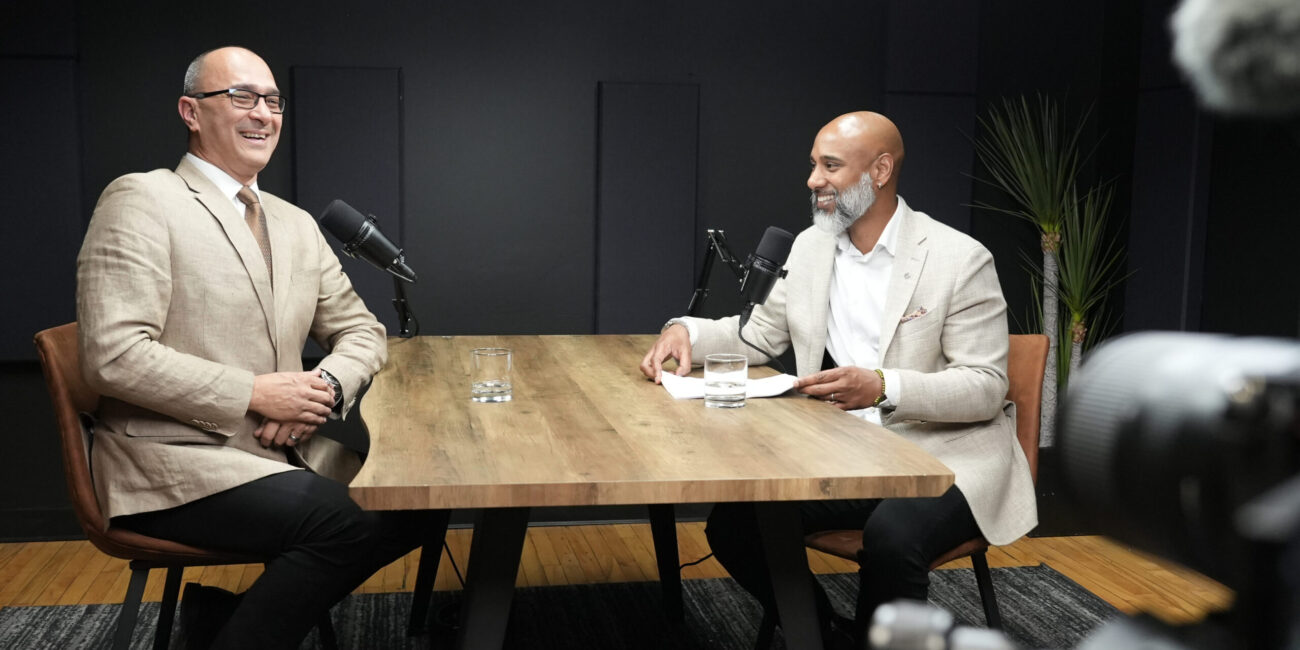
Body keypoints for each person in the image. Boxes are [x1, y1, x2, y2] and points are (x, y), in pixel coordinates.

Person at [639, 111, 1038, 645]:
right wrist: (685, 331)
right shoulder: (811, 248)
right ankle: (822, 630)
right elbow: (759, 336)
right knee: (735, 524)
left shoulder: (958, 259)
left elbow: (986, 386)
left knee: (893, 538)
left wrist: (883, 386)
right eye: (812, 165)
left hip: (947, 457)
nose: (812, 180)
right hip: (850, 452)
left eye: (830, 166)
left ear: (880, 169)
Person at [76, 46, 424, 649]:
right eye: (241, 97)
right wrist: (256, 394)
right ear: (191, 110)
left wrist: (323, 390)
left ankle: (222, 622)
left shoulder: (295, 223)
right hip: (172, 463)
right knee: (343, 524)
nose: (262, 113)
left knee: (425, 499)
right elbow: (113, 354)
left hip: (280, 453)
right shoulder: (141, 200)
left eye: (272, 100)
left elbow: (362, 330)